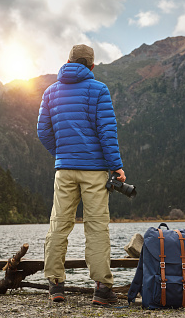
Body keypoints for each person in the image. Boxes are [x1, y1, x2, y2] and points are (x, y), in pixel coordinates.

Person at [37, 44, 126, 305]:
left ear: (67, 61)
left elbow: (43, 132)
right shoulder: (99, 90)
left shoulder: (50, 92)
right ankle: (102, 289)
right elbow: (106, 132)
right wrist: (116, 166)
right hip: (95, 171)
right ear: (92, 66)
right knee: (96, 227)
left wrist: (62, 153)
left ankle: (55, 285)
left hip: (64, 170)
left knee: (59, 224)